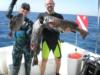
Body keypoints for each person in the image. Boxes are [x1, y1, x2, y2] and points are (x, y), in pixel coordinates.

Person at [37, 0, 64, 75]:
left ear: (54, 4)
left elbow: (62, 30)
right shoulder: (41, 15)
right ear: (45, 5)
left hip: (56, 41)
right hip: (45, 41)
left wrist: (65, 30)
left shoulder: (60, 16)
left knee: (58, 59)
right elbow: (37, 28)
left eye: (51, 3)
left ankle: (57, 73)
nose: (49, 5)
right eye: (48, 4)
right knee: (44, 60)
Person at [8, 3, 33, 75]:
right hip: (17, 47)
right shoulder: (14, 18)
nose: (25, 10)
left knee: (28, 66)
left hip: (27, 47)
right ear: (20, 9)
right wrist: (13, 3)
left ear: (29, 11)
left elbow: (32, 36)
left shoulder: (30, 23)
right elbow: (8, 14)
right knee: (15, 66)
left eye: (27, 9)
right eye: (23, 8)